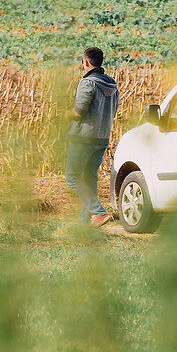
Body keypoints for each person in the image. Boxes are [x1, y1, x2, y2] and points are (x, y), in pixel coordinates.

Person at [66, 46, 120, 227]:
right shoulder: (112, 84)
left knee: (72, 177)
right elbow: (114, 111)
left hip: (83, 139)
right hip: (102, 138)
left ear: (86, 62)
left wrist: (63, 114)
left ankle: (99, 212)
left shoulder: (88, 83)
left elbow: (80, 111)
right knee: (89, 179)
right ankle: (85, 220)